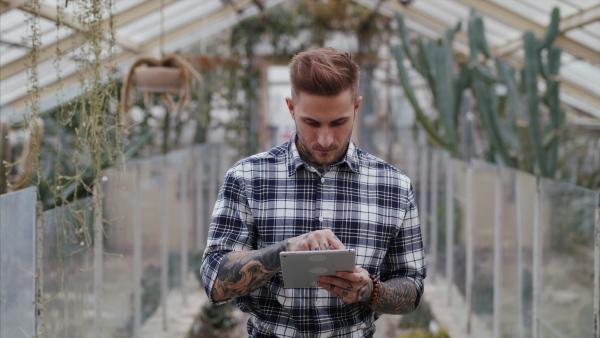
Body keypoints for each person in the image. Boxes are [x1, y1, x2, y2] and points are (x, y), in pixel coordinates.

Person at [200, 47, 426, 337]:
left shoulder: (394, 187)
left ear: (356, 107)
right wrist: (287, 249)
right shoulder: (247, 178)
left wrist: (371, 290)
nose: (325, 139)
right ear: (291, 108)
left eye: (339, 122)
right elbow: (213, 281)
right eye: (311, 122)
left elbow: (413, 287)